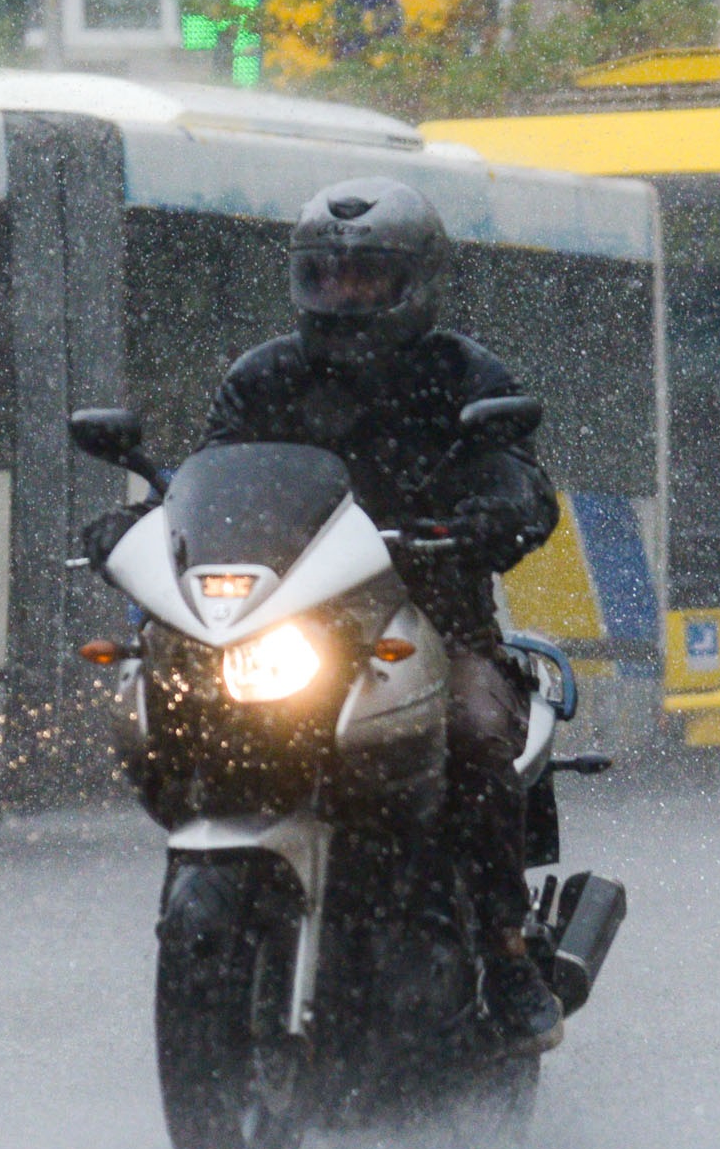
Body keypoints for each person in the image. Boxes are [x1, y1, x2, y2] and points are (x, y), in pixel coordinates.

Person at [191, 178, 567, 1049]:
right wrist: (146, 522)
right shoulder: (264, 376)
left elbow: (522, 476)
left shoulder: (464, 374)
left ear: (420, 282)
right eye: (326, 277)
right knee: (185, 702)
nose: (345, 296)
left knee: (474, 729)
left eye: (367, 279)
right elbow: (203, 478)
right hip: (295, 625)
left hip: (430, 620)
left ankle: (508, 952)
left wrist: (499, 509)